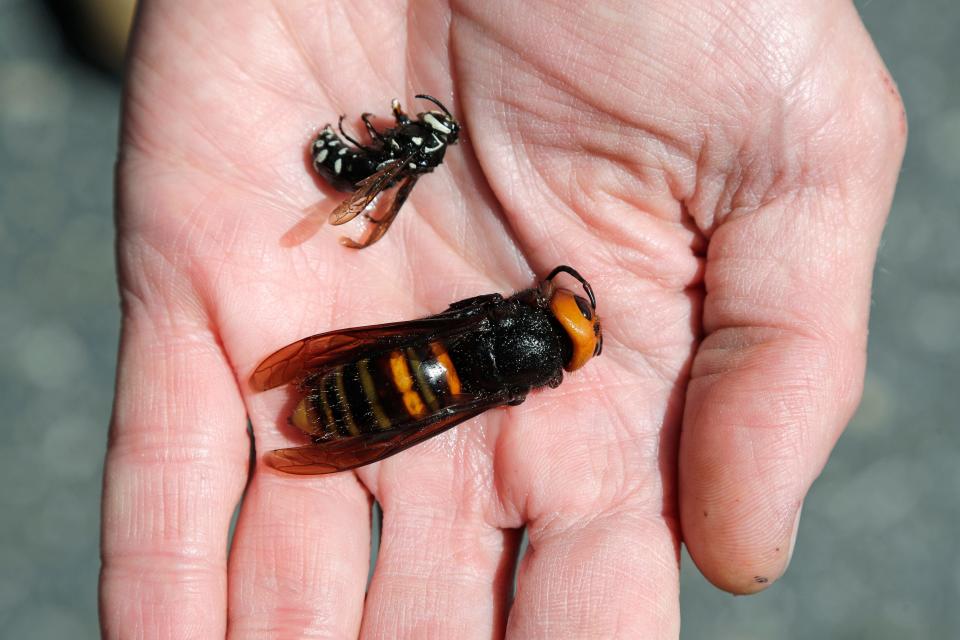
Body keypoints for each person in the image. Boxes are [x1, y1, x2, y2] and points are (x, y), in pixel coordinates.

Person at [99, 1, 906, 637]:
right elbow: (484, 376)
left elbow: (449, 324)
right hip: (408, 393)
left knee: (409, 365)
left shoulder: (499, 318)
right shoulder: (524, 379)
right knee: (417, 401)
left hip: (387, 361)